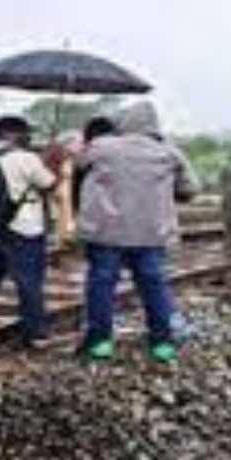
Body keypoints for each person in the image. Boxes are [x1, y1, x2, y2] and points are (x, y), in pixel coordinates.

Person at [76, 100, 200, 363]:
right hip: (151, 234)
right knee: (154, 286)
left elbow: (77, 166)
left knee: (101, 285)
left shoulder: (101, 147)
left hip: (105, 233)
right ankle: (162, 344)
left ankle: (100, 343)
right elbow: (190, 189)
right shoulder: (168, 152)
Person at [0, 115, 61, 345]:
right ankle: (34, 331)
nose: (28, 137)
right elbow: (49, 184)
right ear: (13, 134)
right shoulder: (26, 158)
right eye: (25, 133)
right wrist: (48, 162)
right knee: (28, 282)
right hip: (23, 228)